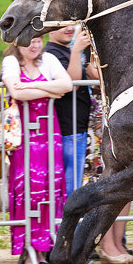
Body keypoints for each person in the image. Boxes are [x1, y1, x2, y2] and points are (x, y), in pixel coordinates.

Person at [2, 36, 72, 264]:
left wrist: (32, 85)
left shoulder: (49, 59)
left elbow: (66, 85)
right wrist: (50, 91)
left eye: (38, 40)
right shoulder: (11, 62)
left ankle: (47, 244)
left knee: (50, 186)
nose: (34, 46)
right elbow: (17, 93)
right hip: (23, 135)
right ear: (16, 43)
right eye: (28, 41)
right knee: (26, 186)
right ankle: (29, 248)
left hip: (48, 132)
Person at [44, 23, 98, 196]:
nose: (69, 29)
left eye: (70, 25)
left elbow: (96, 75)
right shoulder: (51, 53)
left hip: (79, 128)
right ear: (49, 29)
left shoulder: (70, 50)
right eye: (62, 25)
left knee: (76, 183)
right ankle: (68, 222)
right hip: (68, 129)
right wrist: (76, 50)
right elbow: (71, 83)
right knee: (70, 187)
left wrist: (84, 51)